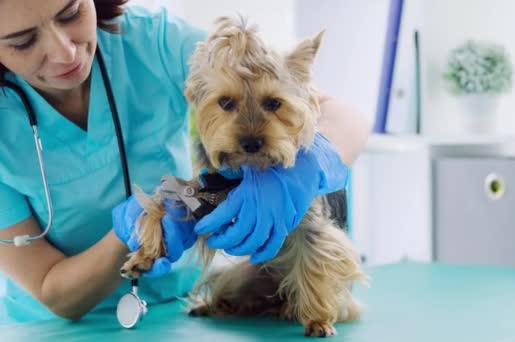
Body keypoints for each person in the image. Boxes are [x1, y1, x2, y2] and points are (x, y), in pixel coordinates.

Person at [0, 0, 370, 324]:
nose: (65, 52)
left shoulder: (153, 42)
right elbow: (53, 290)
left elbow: (347, 119)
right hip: (52, 330)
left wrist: (311, 165)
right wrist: (129, 235)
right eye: (22, 41)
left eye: (71, 13)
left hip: (182, 312)